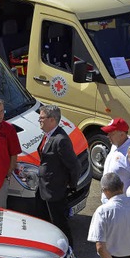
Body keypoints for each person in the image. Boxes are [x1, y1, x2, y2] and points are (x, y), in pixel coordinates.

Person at [36, 104, 80, 246]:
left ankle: (69, 250)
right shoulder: (48, 135)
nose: (39, 120)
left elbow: (74, 166)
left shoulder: (60, 140)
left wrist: (70, 186)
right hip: (45, 188)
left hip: (55, 190)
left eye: (42, 118)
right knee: (47, 221)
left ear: (52, 120)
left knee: (60, 223)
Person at [100, 117, 130, 203]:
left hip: (122, 205)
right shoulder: (115, 146)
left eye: (111, 133)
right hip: (107, 202)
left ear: (122, 135)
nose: (108, 136)